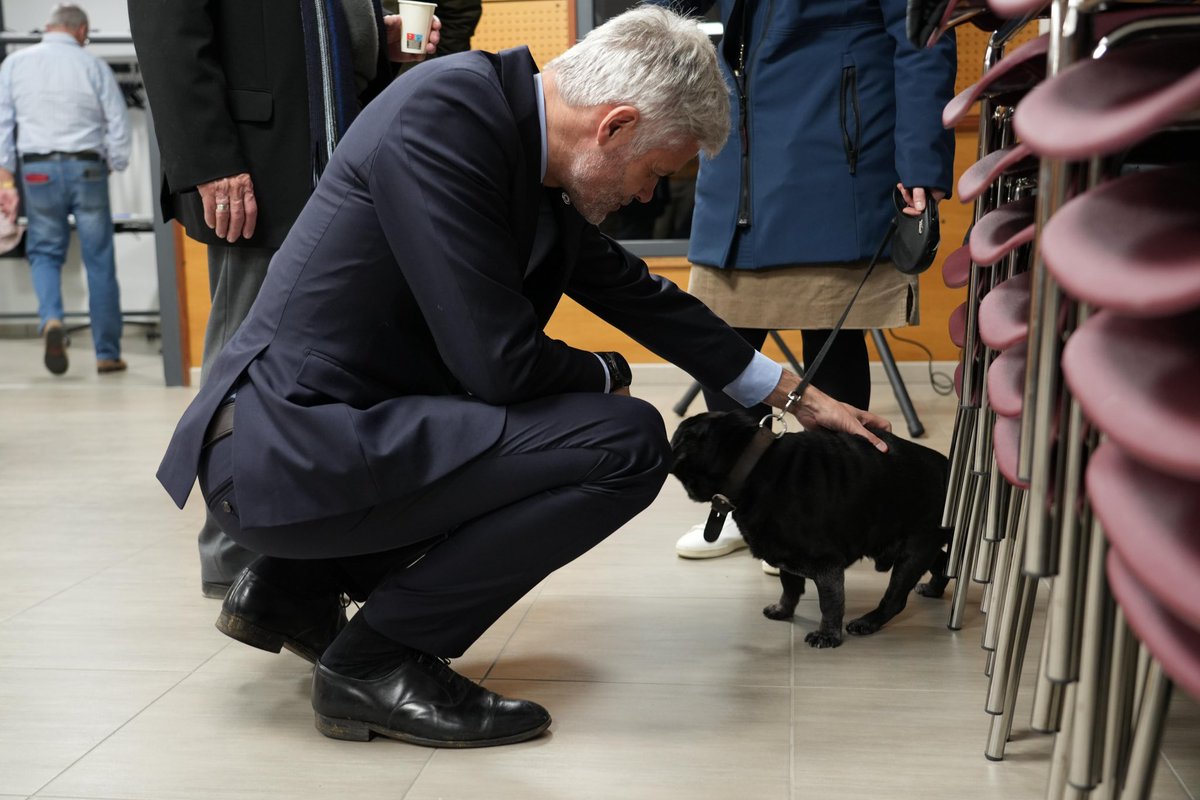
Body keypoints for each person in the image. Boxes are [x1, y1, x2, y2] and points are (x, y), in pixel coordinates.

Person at [156, 5, 893, 748]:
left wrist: (798, 397)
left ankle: (295, 588)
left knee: (566, 425)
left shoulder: (516, 138)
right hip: (282, 453)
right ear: (615, 126)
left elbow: (642, 295)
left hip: (328, 438)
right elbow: (498, 363)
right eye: (655, 172)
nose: (647, 195)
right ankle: (375, 660)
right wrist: (605, 372)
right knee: (625, 442)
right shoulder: (445, 119)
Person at [128, 0, 442, 600]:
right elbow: (167, 27)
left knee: (336, 358)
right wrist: (209, 159)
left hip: (330, 153)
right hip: (255, 165)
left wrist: (377, 34)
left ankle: (302, 550)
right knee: (248, 351)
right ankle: (235, 555)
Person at [659, 0, 957, 562]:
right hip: (736, 148)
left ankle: (831, 511)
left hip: (832, 150)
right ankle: (740, 504)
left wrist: (920, 160)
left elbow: (923, 36)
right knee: (722, 332)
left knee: (832, 334)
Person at [0, 3, 131, 376]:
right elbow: (118, 123)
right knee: (99, 259)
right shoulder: (94, 65)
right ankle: (107, 353)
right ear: (81, 31)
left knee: (44, 251)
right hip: (87, 165)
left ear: (48, 27)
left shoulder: (15, 64)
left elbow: (3, 123)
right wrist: (114, 162)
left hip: (37, 170)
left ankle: (52, 320)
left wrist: (5, 177)